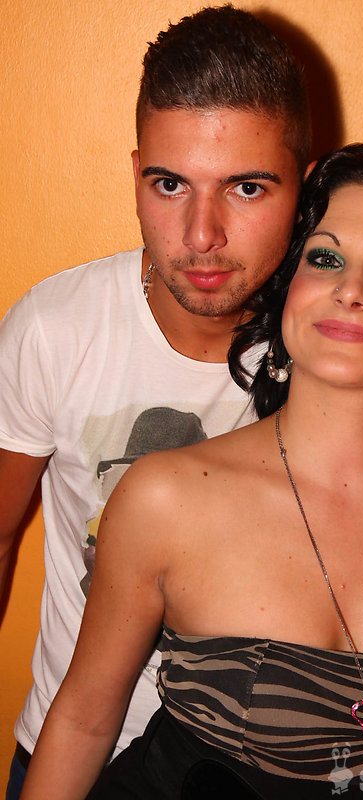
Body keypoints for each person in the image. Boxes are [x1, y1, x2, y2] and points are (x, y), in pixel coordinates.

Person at [20, 144, 363, 799]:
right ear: (288, 291)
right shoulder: (164, 497)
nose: (351, 291)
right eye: (325, 259)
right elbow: (83, 720)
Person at [0, 5, 310, 796]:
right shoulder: (56, 329)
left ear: (302, 184)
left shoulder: (336, 352)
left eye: (246, 187)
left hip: (250, 774)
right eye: (169, 184)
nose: (201, 235)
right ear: (136, 172)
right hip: (70, 757)